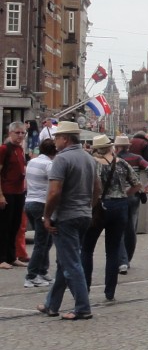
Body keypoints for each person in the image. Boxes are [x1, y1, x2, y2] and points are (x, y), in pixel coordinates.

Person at [39, 121, 99, 321]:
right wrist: (88, 206)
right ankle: (51, 304)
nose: (54, 140)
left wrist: (47, 216)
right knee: (65, 260)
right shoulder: (89, 158)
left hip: (66, 217)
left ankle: (83, 307)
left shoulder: (61, 159)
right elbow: (97, 189)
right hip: (84, 215)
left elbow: (54, 192)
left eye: (57, 137)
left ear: (65, 139)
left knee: (71, 263)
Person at [83, 135, 140, 304]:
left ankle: (84, 288)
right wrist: (123, 194)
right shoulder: (121, 163)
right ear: (110, 148)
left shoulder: (91, 163)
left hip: (98, 207)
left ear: (95, 149)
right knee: (113, 250)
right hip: (120, 206)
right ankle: (110, 292)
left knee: (87, 248)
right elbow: (136, 184)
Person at [114, 135, 148, 274]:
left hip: (119, 196)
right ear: (128, 146)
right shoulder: (136, 158)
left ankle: (122, 261)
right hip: (134, 196)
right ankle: (128, 259)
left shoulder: (115, 159)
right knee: (131, 229)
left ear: (116, 147)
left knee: (119, 229)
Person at [23, 138, 56, 288]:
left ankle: (42, 271)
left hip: (29, 202)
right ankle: (31, 275)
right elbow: (55, 184)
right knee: (41, 242)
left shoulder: (33, 161)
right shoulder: (49, 165)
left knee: (46, 240)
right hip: (41, 203)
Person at [0, 120, 29, 269]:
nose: (20, 135)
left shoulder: (19, 149)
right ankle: (2, 258)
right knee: (4, 226)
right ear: (10, 133)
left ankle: (12, 256)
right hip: (7, 191)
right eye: (17, 133)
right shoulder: (4, 149)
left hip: (19, 192)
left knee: (15, 225)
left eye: (22, 133)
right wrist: (1, 195)